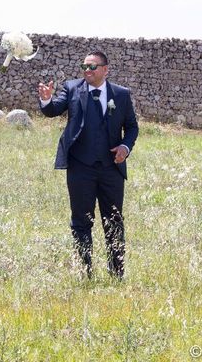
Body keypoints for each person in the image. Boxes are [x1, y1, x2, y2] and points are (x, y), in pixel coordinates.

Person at [38, 51, 138, 279]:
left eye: (92, 66)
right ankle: (84, 273)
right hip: (80, 167)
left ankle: (116, 274)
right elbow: (53, 110)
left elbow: (132, 127)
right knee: (81, 221)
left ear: (105, 69)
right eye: (84, 66)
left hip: (111, 168)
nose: (87, 70)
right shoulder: (72, 88)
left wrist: (125, 147)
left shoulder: (121, 95)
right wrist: (46, 99)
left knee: (113, 221)